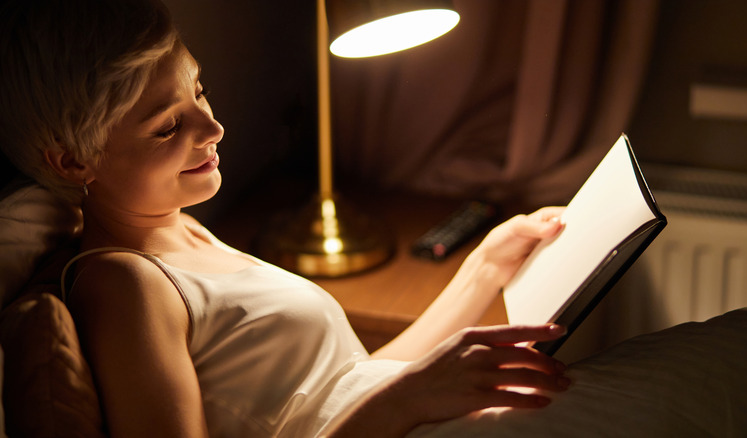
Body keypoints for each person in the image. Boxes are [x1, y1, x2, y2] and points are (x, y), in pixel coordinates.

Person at [0, 0, 570, 436]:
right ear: (75, 159)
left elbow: (341, 389)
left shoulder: (180, 229)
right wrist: (407, 401)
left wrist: (482, 271)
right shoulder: (127, 283)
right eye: (168, 127)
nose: (212, 129)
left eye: (199, 92)